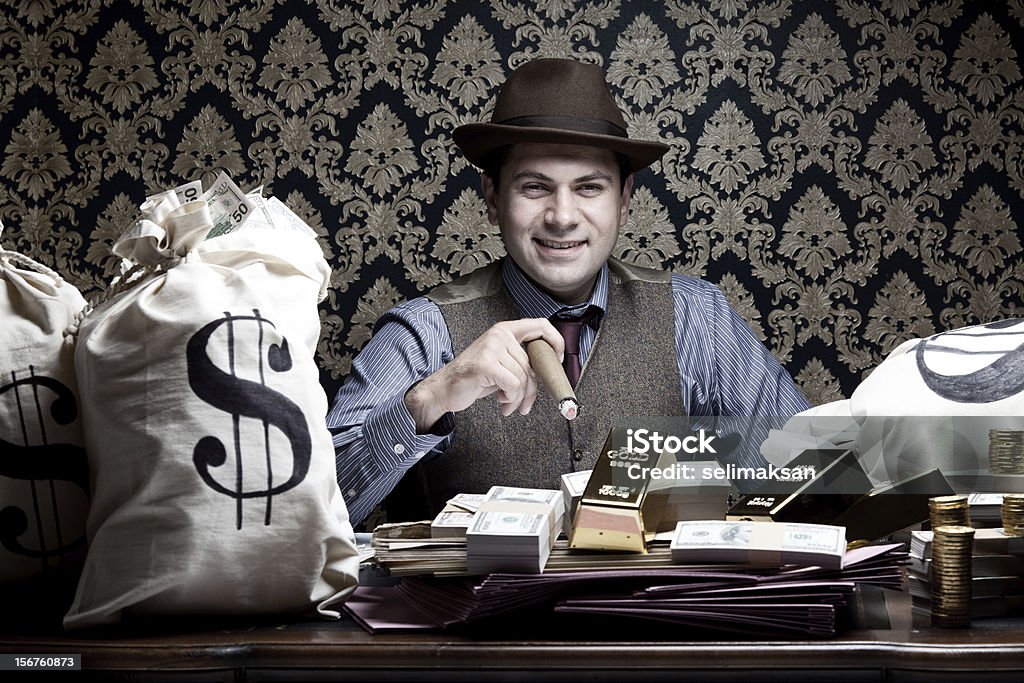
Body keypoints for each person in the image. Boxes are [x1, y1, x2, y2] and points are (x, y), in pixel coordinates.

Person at [328, 58, 811, 526]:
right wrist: (429, 398)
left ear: (623, 201)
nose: (562, 216)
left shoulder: (696, 316)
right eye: (535, 187)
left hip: (656, 608)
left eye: (589, 187)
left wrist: (713, 457)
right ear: (493, 198)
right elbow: (315, 512)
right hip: (477, 609)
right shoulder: (422, 331)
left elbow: (816, 472)